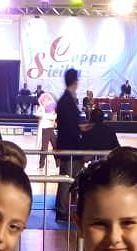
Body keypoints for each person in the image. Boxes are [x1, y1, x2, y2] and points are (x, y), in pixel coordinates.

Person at [54, 68, 83, 220]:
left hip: (67, 144)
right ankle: (62, 210)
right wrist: (80, 131)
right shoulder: (67, 101)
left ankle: (61, 207)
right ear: (75, 81)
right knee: (67, 179)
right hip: (70, 146)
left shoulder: (66, 99)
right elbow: (70, 127)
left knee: (66, 177)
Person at [37, 93, 58, 172]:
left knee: (55, 146)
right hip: (45, 129)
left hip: (50, 128)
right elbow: (38, 114)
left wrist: (51, 116)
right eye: (44, 100)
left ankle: (58, 164)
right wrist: (47, 115)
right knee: (44, 148)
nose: (45, 101)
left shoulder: (51, 107)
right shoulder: (42, 108)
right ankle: (41, 165)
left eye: (47, 99)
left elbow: (54, 116)